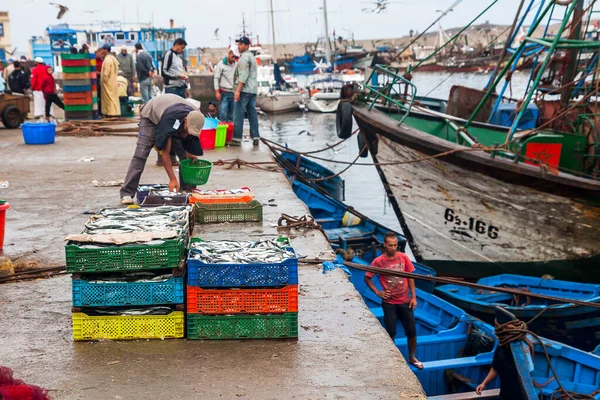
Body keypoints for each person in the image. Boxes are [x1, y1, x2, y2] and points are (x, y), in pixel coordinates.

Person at [119, 94, 205, 205]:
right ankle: (127, 192)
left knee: (185, 157)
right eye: (188, 130)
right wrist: (172, 179)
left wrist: (189, 153)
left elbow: (190, 139)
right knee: (141, 154)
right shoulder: (170, 121)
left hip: (171, 115)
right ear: (185, 120)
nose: (188, 133)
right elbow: (165, 153)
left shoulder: (196, 118)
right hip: (151, 116)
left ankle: (186, 192)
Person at [364, 232, 423, 370]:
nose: (393, 248)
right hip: (389, 303)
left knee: (412, 331)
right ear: (384, 245)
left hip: (405, 301)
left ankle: (412, 357)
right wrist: (378, 292)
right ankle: (393, 360)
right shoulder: (378, 261)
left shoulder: (403, 258)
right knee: (391, 332)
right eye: (390, 245)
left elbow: (410, 277)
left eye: (395, 245)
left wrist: (413, 297)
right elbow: (367, 278)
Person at [476, 321, 525, 399]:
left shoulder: (519, 351)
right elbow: (495, 368)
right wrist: (484, 383)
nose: (497, 337)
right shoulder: (500, 347)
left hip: (520, 394)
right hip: (504, 392)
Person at [232, 36, 260, 147]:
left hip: (244, 90)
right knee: (252, 113)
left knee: (238, 113)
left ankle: (237, 138)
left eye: (241, 44)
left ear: (247, 46)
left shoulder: (244, 58)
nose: (239, 46)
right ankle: (256, 136)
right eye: (238, 44)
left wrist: (237, 91)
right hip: (252, 90)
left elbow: (243, 76)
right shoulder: (252, 57)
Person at [213, 48, 237, 121]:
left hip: (233, 92)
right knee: (223, 115)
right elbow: (216, 78)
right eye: (233, 56)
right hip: (224, 93)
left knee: (232, 116)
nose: (234, 59)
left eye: (235, 57)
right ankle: (222, 131)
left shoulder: (236, 64)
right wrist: (217, 92)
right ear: (229, 53)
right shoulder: (220, 64)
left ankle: (230, 132)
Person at [99, 43, 120, 117]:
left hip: (108, 83)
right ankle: (115, 112)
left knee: (109, 99)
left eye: (102, 49)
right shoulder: (113, 59)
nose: (101, 51)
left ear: (105, 50)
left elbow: (105, 74)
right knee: (113, 99)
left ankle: (111, 113)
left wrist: (103, 82)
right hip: (113, 82)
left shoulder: (108, 60)